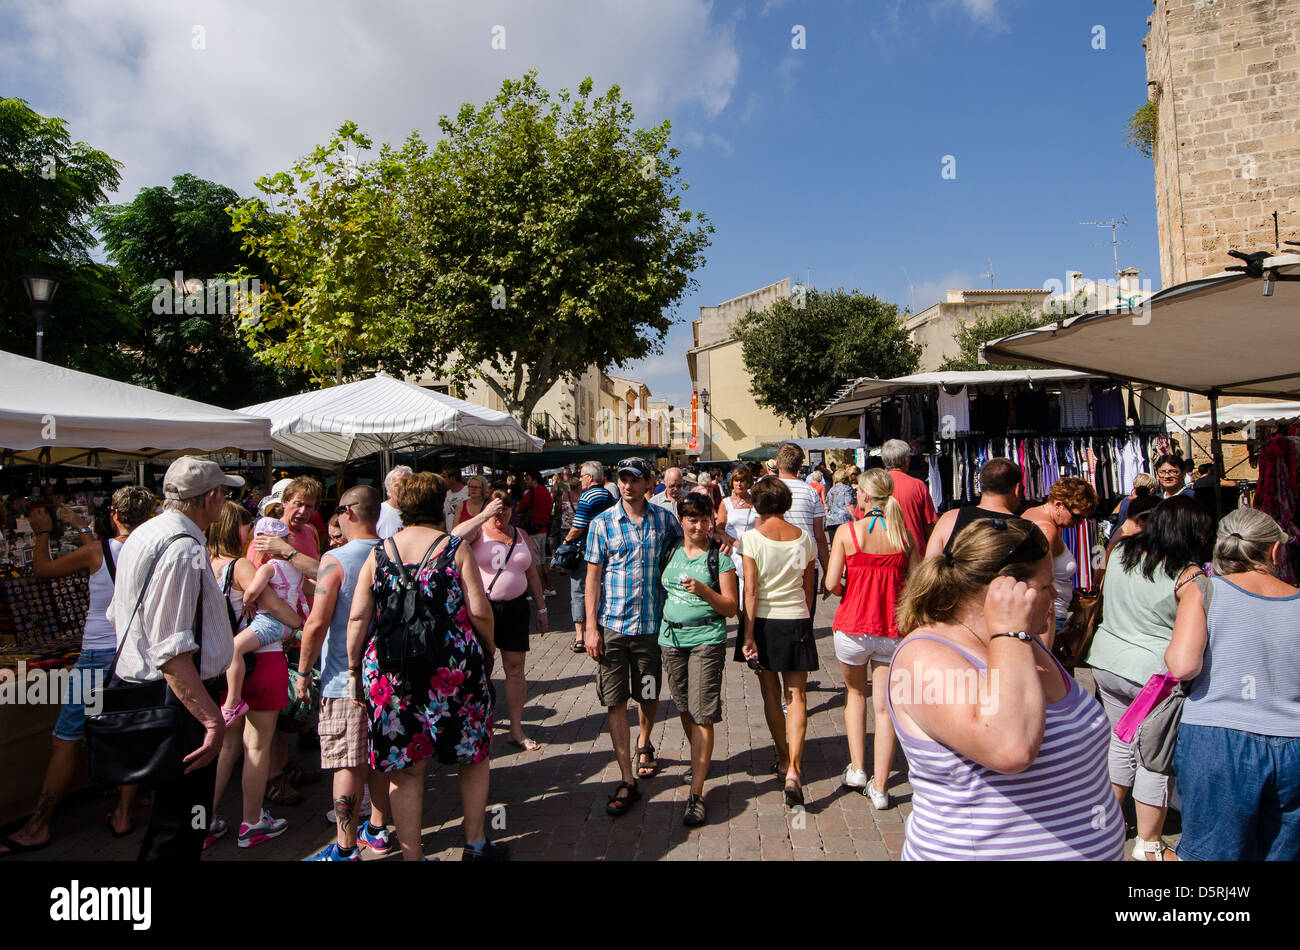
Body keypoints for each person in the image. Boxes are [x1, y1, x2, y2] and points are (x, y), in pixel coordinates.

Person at [888, 518, 1124, 860]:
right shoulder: (925, 657)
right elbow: (1010, 749)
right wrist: (1010, 633)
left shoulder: (1024, 644)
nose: (1057, 594)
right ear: (1004, 591)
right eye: (1045, 587)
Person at [347, 472, 505, 861]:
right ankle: (476, 844)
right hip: (451, 670)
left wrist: (353, 669)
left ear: (400, 506)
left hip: (392, 671)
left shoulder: (380, 551)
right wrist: (488, 649)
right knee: (471, 755)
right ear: (439, 505)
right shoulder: (454, 548)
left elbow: (358, 618)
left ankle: (411, 854)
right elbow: (480, 610)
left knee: (406, 767)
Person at [0, 489, 155, 857]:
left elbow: (42, 571)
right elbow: (102, 556)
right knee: (126, 734)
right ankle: (122, 815)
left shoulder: (96, 552)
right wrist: (78, 524)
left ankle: (37, 826)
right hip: (134, 654)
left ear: (114, 514)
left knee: (66, 737)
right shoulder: (154, 550)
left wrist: (41, 533)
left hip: (98, 656)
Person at [106, 457, 242, 861]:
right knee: (179, 825)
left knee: (177, 819)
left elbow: (119, 614)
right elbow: (171, 650)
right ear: (212, 497)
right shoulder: (181, 547)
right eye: (224, 494)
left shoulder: (148, 534)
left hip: (165, 693)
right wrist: (210, 719)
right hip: (178, 699)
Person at [1165, 508, 1300, 861]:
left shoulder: (1203, 590)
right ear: (1274, 551)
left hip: (1218, 739)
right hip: (1293, 743)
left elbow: (1182, 666)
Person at [1085, 496, 1212, 861]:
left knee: (1121, 742)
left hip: (1107, 662)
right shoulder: (1189, 575)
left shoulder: (1123, 553)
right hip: (1153, 677)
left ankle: (1108, 819)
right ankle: (1149, 842)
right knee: (1153, 756)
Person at [205, 502, 310, 851]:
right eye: (247, 527)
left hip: (224, 664)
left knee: (227, 746)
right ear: (235, 529)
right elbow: (280, 610)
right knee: (257, 745)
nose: (251, 534)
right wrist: (295, 624)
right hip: (262, 662)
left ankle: (205, 820)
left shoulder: (205, 564)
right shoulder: (243, 566)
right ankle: (251, 822)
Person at [297, 486, 394, 860]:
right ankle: (379, 830)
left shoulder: (335, 559)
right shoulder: (394, 551)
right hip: (388, 676)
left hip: (344, 676)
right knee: (381, 757)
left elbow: (317, 622)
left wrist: (304, 672)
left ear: (349, 513)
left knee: (347, 762)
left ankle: (345, 848)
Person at [584, 457, 682, 816]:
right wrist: (591, 627)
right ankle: (627, 776)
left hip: (651, 627)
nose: (628, 485)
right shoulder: (602, 523)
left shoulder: (665, 520)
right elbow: (592, 578)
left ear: (648, 483)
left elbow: (684, 555)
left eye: (635, 479)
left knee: (648, 694)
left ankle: (644, 740)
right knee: (614, 700)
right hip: (613, 626)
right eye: (623, 479)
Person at [825, 469, 921, 808]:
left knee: (854, 694)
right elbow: (915, 585)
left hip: (853, 625)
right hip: (891, 630)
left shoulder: (847, 533)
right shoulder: (904, 536)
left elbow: (831, 583)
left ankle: (858, 769)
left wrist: (849, 586)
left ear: (864, 497)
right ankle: (880, 787)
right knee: (885, 709)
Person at [737, 477, 817, 807]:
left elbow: (751, 591)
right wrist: (805, 619)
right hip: (796, 617)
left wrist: (748, 632)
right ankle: (795, 769)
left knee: (770, 693)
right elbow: (808, 587)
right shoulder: (805, 539)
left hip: (766, 621)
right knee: (796, 695)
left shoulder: (752, 539)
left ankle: (784, 757)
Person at [659, 492, 738, 826]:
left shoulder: (719, 557)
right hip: (671, 638)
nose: (699, 526)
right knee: (683, 706)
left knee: (702, 713)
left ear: (712, 521)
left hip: (706, 639)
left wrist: (704, 591)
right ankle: (700, 759)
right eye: (692, 519)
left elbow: (730, 607)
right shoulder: (670, 549)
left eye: (705, 520)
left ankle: (696, 793)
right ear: (681, 521)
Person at [470, 488, 547, 752]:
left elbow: (533, 575)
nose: (500, 512)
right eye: (495, 506)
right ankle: (480, 727)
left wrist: (542, 608)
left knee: (515, 670)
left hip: (516, 609)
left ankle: (516, 729)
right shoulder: (476, 533)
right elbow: (451, 540)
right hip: (484, 610)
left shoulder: (521, 535)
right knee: (481, 670)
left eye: (505, 506)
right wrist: (482, 517)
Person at [221, 512, 307, 723]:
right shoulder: (296, 567)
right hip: (284, 626)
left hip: (270, 621)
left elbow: (252, 591)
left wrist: (247, 601)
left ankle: (233, 701)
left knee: (233, 648)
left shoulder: (269, 568)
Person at [1021, 477, 1099, 643]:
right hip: (1048, 619)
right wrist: (1047, 644)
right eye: (1077, 517)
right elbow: (1040, 584)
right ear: (1058, 505)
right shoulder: (1047, 530)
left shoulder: (1030, 513)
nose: (1078, 524)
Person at [562, 462, 616, 654]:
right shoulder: (609, 495)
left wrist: (566, 542)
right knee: (601, 589)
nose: (581, 479)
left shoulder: (588, 496)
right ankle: (601, 628)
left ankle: (580, 636)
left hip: (585, 550)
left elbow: (577, 527)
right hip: (606, 549)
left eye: (583, 475)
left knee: (578, 590)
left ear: (590, 478)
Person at [925, 458, 1024, 558]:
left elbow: (930, 566)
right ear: (1017, 489)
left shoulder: (949, 519)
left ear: (981, 485)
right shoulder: (1024, 530)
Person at [775, 443, 828, 593]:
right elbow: (820, 536)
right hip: (806, 561)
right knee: (805, 612)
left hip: (775, 561)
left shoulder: (768, 490)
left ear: (777, 464)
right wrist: (827, 570)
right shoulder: (811, 493)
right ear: (799, 466)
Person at [881, 439, 938, 557]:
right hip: (914, 554)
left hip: (882, 555)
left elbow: (861, 521)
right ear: (906, 461)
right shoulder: (918, 486)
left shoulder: (873, 485)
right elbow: (929, 526)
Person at [519, 471, 554, 595]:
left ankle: (537, 591)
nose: (526, 481)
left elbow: (521, 507)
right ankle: (549, 587)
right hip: (544, 529)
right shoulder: (546, 492)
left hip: (533, 530)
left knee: (536, 562)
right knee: (542, 560)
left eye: (527, 479)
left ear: (535, 480)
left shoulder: (532, 493)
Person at [377, 465, 413, 540]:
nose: (403, 489)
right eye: (397, 485)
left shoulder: (420, 513)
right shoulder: (378, 512)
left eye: (407, 484)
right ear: (389, 488)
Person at [823, 468, 856, 541]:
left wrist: (828, 517)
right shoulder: (847, 489)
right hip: (844, 520)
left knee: (834, 544)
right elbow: (849, 504)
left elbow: (826, 507)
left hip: (831, 521)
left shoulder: (831, 490)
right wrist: (854, 519)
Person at [441, 465, 470, 531]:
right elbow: (444, 517)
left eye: (444, 477)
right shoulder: (446, 495)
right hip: (451, 536)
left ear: (452, 478)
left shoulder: (469, 492)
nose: (442, 480)